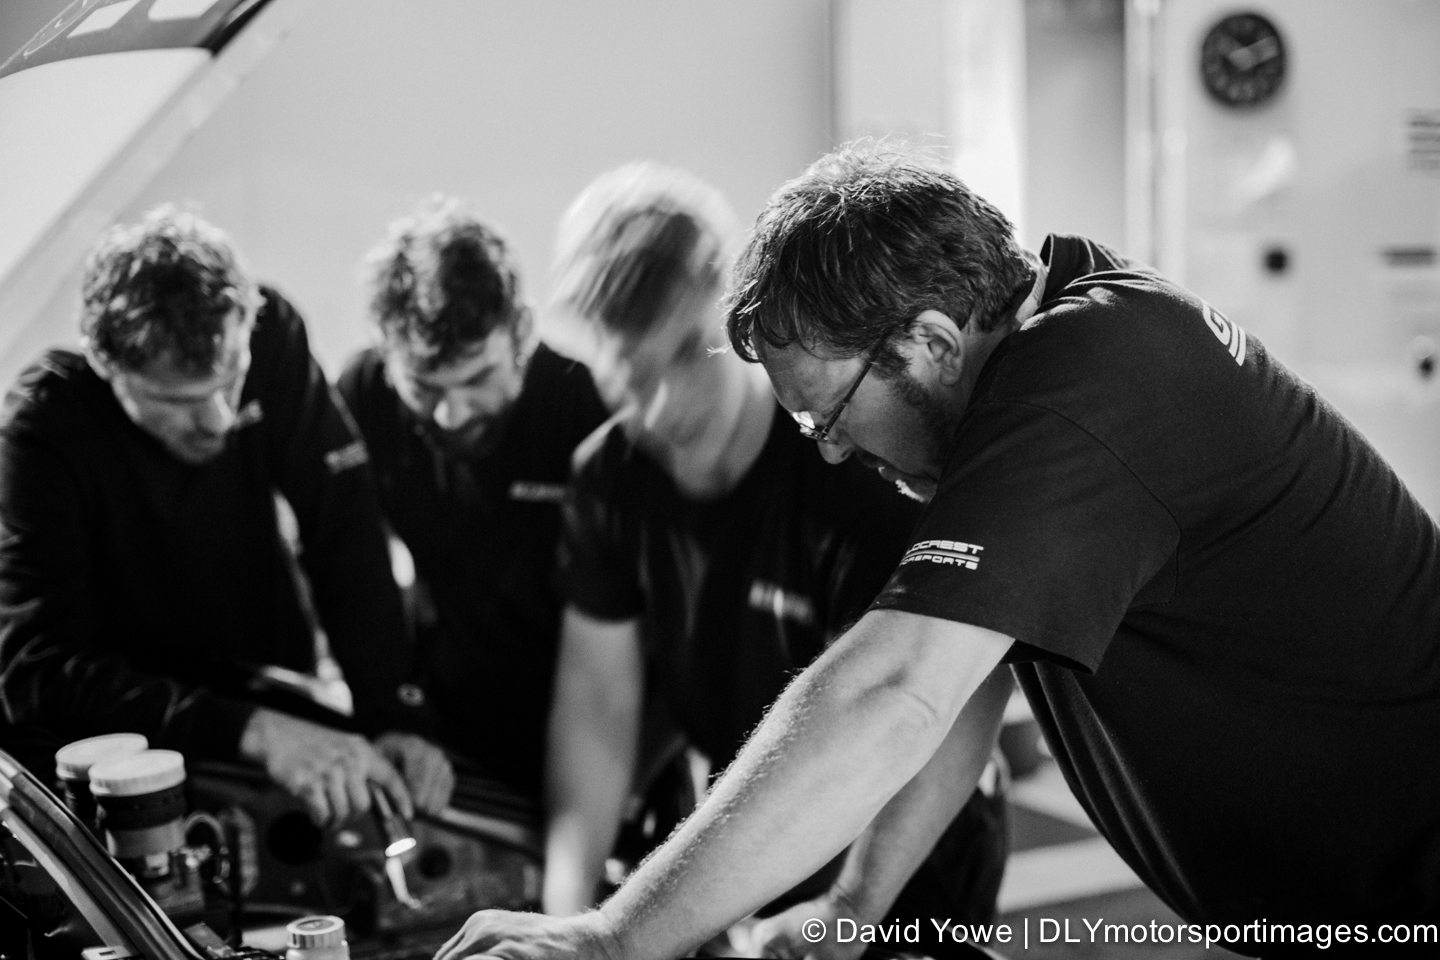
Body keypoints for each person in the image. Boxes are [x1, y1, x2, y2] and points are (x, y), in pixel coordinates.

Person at [437, 143, 1440, 960]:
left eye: (827, 414)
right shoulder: (1067, 328)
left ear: (931, 342)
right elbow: (967, 677)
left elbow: (895, 691)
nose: (832, 450)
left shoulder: (1081, 391)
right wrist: (855, 906)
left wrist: (613, 939)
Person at [539, 164, 1009, 955]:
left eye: (686, 355)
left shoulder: (868, 468)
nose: (662, 404)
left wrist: (851, 908)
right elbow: (597, 711)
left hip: (907, 860)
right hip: (752, 865)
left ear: (737, 317)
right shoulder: (607, 481)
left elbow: (919, 704)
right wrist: (563, 918)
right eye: (633, 375)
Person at [0, 206, 452, 827]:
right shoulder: (44, 427)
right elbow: (38, 666)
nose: (218, 418)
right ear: (108, 367)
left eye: (232, 381)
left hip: (267, 676)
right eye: (178, 400)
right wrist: (254, 732)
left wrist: (392, 713)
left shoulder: (272, 336)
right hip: (129, 743)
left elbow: (343, 528)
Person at [336, 197, 608, 797]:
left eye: (478, 378)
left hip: (597, 728)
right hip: (450, 736)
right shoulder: (363, 397)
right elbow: (348, 565)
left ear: (522, 331)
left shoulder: (586, 409)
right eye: (424, 388)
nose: (451, 415)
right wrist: (394, 714)